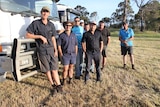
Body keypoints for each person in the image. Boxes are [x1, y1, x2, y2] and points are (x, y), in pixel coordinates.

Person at [26, 6, 62, 93]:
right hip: (42, 50)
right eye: (43, 12)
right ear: (41, 13)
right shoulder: (35, 23)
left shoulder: (51, 24)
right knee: (47, 69)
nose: (45, 13)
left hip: (51, 49)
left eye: (46, 12)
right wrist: (39, 36)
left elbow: (53, 38)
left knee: (54, 69)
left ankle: (59, 86)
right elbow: (27, 35)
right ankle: (53, 86)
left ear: (49, 14)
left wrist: (56, 49)